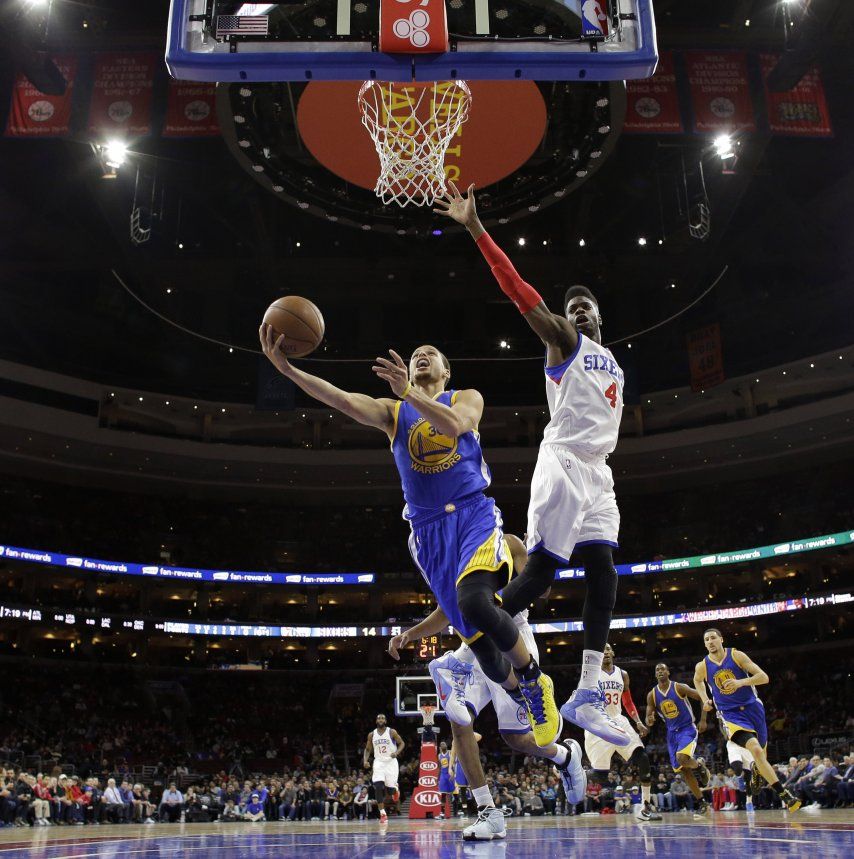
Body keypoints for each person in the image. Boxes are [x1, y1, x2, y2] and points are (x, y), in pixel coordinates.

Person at [259, 327, 559, 746]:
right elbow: (341, 400)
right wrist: (288, 370)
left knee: (475, 599)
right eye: (417, 352)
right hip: (428, 534)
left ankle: (532, 680)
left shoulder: (463, 397)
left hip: (471, 513)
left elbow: (456, 427)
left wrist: (408, 392)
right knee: (481, 647)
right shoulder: (394, 412)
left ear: (444, 371)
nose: (422, 356)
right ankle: (517, 693)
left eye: (430, 353)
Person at [435, 182, 631, 747]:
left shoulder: (613, 360)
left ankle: (590, 691)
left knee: (603, 573)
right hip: (565, 461)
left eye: (585, 304)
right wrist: (476, 228)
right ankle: (460, 656)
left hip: (599, 471)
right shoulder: (565, 341)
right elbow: (520, 292)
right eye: (570, 306)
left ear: (601, 314)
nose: (577, 310)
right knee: (541, 573)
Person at [389, 534, 587, 841]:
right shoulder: (452, 558)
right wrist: (409, 635)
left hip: (512, 639)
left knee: (517, 739)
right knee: (459, 722)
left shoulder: (509, 544)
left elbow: (543, 589)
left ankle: (564, 755)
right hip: (472, 649)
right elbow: (445, 613)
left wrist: (539, 555)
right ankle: (488, 812)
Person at [693, 627, 800, 812]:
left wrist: (740, 682)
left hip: (753, 709)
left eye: (712, 638)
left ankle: (758, 771)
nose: (710, 642)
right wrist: (704, 699)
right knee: (756, 750)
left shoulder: (736, 655)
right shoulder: (702, 665)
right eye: (706, 639)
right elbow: (697, 681)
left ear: (721, 639)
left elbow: (764, 677)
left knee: (761, 755)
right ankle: (784, 794)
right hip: (730, 714)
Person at [578, 644, 660, 821]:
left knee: (643, 758)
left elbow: (628, 701)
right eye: (602, 649)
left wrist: (638, 722)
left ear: (613, 652)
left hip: (618, 719)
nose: (605, 652)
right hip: (597, 723)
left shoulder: (622, 674)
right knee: (600, 775)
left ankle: (646, 807)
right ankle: (571, 771)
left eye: (608, 649)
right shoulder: (590, 674)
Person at [645, 661, 710, 818]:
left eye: (663, 669)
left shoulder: (678, 687)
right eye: (657, 669)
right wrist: (650, 720)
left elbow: (702, 696)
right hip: (671, 734)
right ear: (655, 674)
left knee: (682, 758)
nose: (660, 671)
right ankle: (701, 802)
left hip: (687, 728)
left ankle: (699, 765)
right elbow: (648, 717)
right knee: (684, 770)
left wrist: (703, 719)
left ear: (668, 672)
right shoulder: (652, 695)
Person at [363, 714, 405, 824]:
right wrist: (365, 760)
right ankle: (383, 813)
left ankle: (395, 789)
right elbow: (367, 749)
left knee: (390, 791)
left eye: (382, 718)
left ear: (385, 721)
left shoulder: (392, 732)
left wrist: (396, 752)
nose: (380, 720)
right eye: (378, 718)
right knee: (378, 786)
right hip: (379, 762)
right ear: (376, 721)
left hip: (391, 762)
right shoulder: (371, 735)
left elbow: (402, 743)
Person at [437, 742, 454, 820]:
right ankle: (442, 814)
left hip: (450, 775)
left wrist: (454, 774)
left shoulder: (450, 753)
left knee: (453, 794)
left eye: (445, 744)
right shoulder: (439, 755)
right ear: (440, 747)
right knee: (443, 795)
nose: (444, 745)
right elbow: (439, 768)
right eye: (442, 744)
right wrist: (438, 778)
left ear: (447, 746)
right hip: (443, 776)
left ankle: (460, 811)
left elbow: (453, 764)